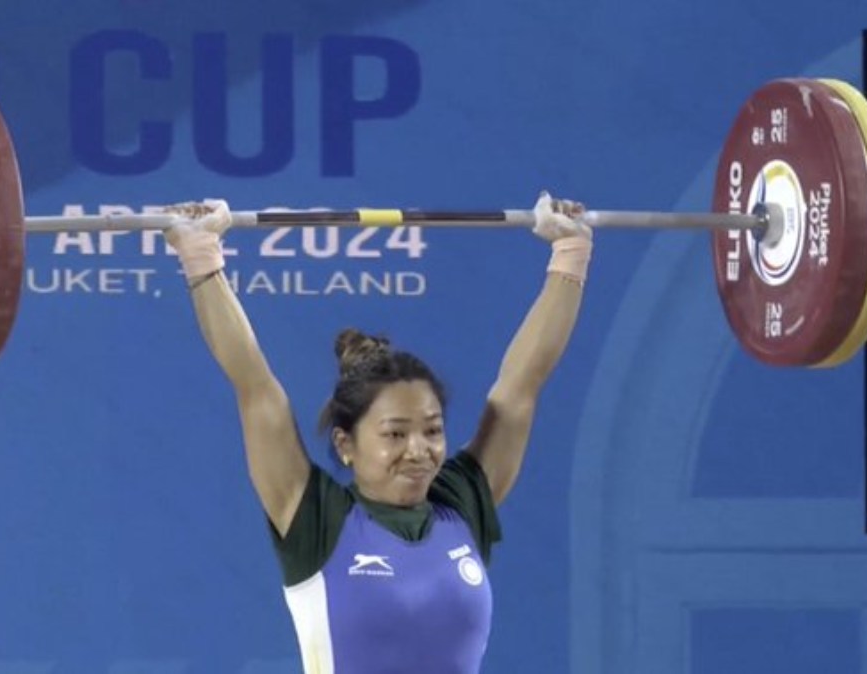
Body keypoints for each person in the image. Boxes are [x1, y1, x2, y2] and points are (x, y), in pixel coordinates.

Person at [163, 192, 593, 674]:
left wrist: (570, 253)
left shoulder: (461, 501)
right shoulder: (315, 518)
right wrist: (201, 254)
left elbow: (520, 386)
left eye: (432, 430)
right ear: (345, 444)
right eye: (395, 435)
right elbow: (255, 386)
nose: (419, 451)